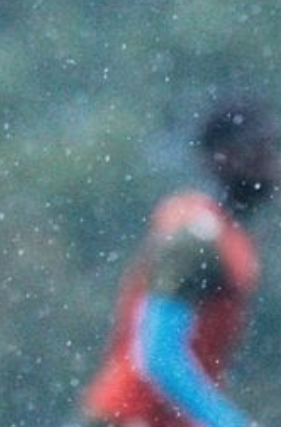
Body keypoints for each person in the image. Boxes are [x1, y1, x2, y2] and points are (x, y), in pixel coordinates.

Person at [76, 99, 278, 427]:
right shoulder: (197, 239)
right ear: (222, 159)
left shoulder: (226, 238)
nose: (271, 166)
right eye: (259, 152)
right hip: (129, 418)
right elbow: (157, 355)